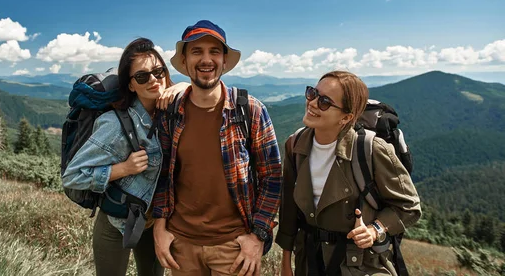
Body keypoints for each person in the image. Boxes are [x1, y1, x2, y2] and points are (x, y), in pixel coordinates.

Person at [152, 20, 282, 276]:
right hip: (182, 246)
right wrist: (160, 227)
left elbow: (273, 177)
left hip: (234, 246)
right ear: (185, 60)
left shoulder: (250, 110)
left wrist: (257, 237)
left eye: (214, 51)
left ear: (224, 60)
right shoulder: (171, 112)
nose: (206, 59)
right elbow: (162, 174)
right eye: (197, 51)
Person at [61, 37, 188, 276]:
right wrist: (123, 169)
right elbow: (72, 177)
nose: (153, 79)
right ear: (130, 85)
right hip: (116, 223)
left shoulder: (171, 114)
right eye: (142, 76)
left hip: (155, 222)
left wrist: (185, 87)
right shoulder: (114, 125)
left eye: (158, 71)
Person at [275, 70, 421, 276]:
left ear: (346, 117)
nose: (313, 103)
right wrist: (285, 263)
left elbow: (409, 206)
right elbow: (289, 210)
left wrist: (375, 229)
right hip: (309, 262)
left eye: (325, 101)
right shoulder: (296, 145)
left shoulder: (370, 149)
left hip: (360, 265)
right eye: (312, 93)